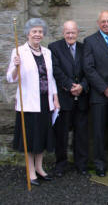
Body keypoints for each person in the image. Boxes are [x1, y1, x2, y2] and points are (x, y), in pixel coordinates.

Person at [7, 18, 60, 186]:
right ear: (28, 33)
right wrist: (16, 66)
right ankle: (30, 171)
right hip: (29, 103)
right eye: (34, 31)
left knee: (42, 137)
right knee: (30, 139)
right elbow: (10, 78)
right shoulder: (19, 51)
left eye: (40, 31)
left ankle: (40, 167)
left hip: (45, 102)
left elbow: (50, 78)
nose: (37, 34)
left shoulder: (47, 52)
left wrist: (55, 97)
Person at [83, 11, 108, 177]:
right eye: (103, 21)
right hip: (99, 95)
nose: (106, 24)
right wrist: (105, 89)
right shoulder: (90, 41)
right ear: (98, 23)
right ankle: (99, 164)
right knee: (99, 132)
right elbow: (88, 68)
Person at [49, 20, 89, 177]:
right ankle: (60, 165)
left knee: (81, 135)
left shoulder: (84, 47)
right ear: (63, 33)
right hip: (64, 99)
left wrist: (82, 86)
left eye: (73, 32)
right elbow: (56, 71)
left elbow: (89, 69)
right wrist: (70, 86)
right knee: (61, 135)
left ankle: (81, 165)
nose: (70, 35)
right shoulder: (54, 48)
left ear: (77, 32)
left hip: (82, 98)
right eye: (67, 32)